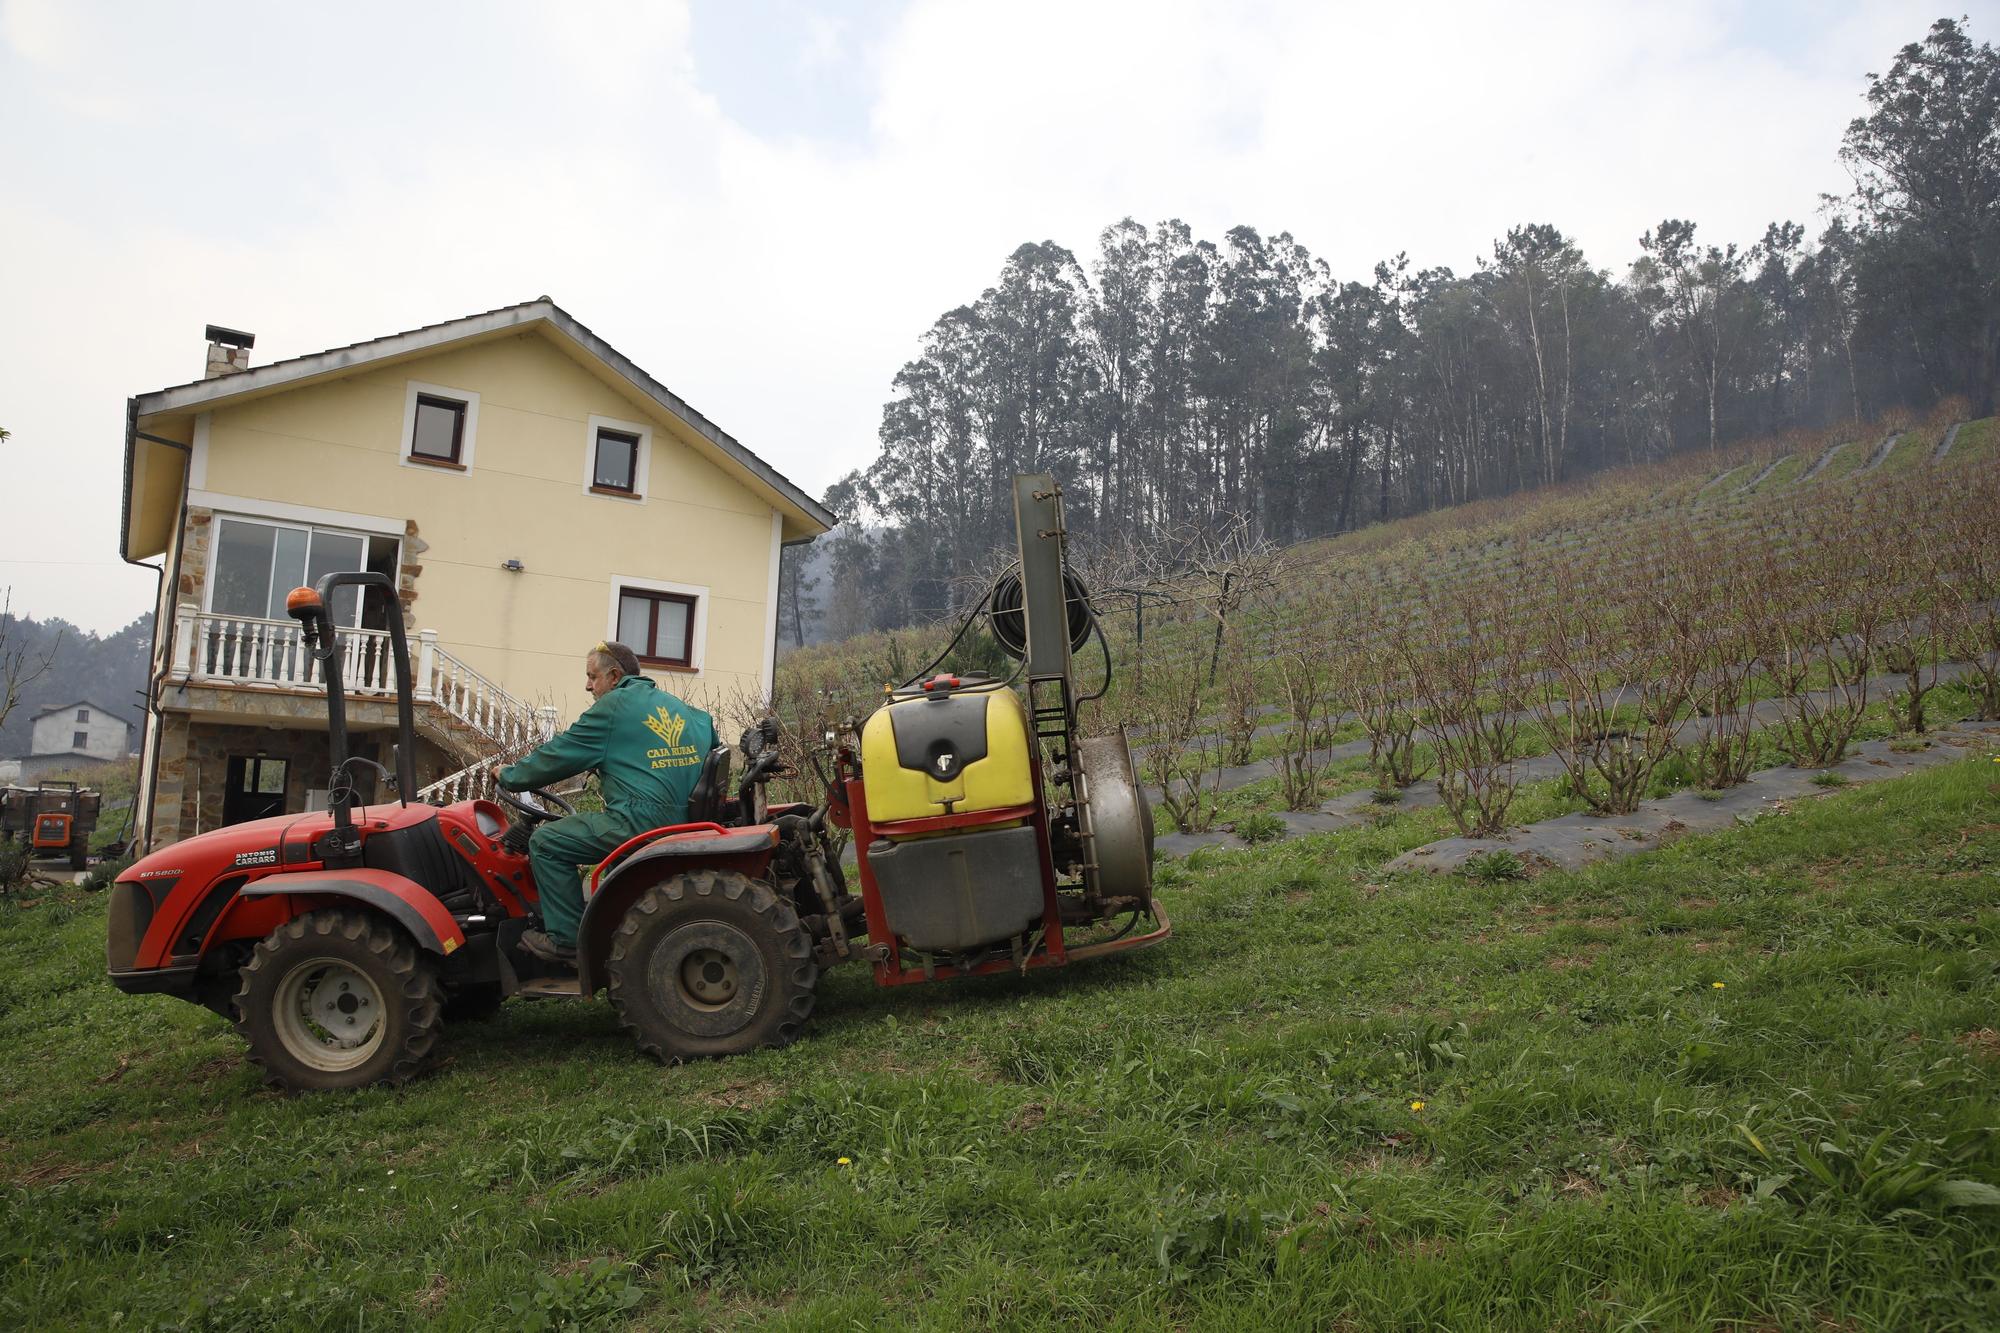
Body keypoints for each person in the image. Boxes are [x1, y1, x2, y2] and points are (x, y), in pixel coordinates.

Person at [495, 641, 715, 965]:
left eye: (592, 676)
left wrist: (510, 775)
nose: (587, 686)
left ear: (614, 676)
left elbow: (559, 754)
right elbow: (711, 734)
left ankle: (566, 941)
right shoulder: (676, 706)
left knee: (545, 841)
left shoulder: (613, 708)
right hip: (687, 819)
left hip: (641, 821)